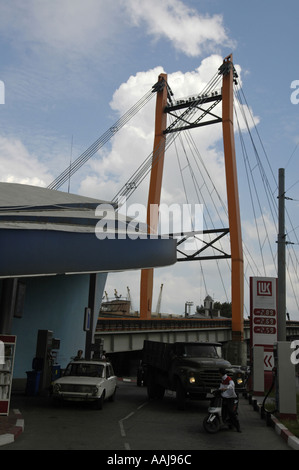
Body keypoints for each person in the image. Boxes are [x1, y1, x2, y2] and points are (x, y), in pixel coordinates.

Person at [219, 367, 241, 432]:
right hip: (225, 397)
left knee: (231, 412)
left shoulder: (228, 379)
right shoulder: (222, 379)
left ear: (220, 373)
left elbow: (232, 385)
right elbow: (221, 386)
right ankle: (226, 422)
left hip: (230, 398)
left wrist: (226, 388)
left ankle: (238, 426)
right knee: (224, 411)